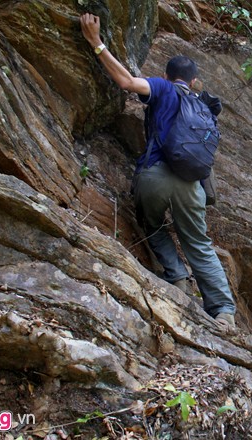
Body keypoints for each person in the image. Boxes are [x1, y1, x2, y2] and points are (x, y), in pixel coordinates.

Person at [80, 12, 236, 332]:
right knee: (199, 244)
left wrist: (96, 42)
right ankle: (223, 312)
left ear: (168, 75)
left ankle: (178, 280)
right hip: (192, 185)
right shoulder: (203, 105)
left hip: (155, 175)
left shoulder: (162, 89)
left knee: (151, 224)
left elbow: (125, 82)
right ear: (193, 82)